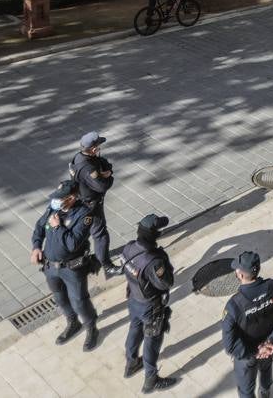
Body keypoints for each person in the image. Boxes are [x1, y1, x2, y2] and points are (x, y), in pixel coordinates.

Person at [30, 180, 99, 351]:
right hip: (50, 267)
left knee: (79, 301)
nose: (56, 201)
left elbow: (72, 244)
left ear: (72, 197)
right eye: (57, 197)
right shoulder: (53, 209)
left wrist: (58, 227)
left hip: (72, 269)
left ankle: (91, 327)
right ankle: (72, 322)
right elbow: (39, 228)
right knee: (60, 298)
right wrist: (36, 247)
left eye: (61, 198)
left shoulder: (85, 215)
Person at [222, 251, 273, 398]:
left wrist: (255, 351)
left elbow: (230, 345)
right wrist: (271, 340)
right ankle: (265, 392)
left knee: (246, 391)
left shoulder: (233, 306)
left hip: (247, 355)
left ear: (240, 275)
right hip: (269, 346)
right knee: (266, 368)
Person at [121, 214, 178, 392]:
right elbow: (166, 282)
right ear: (155, 234)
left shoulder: (129, 247)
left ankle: (131, 362)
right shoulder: (154, 260)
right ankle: (151, 379)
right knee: (152, 340)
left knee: (134, 329)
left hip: (133, 299)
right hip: (150, 306)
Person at [69, 131, 121, 276]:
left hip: (81, 202)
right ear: (92, 149)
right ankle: (106, 265)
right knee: (100, 234)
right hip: (91, 205)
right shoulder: (87, 168)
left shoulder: (79, 157)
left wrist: (106, 168)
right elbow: (102, 186)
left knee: (83, 232)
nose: (100, 148)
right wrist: (109, 176)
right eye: (98, 146)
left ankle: (80, 258)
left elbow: (102, 162)